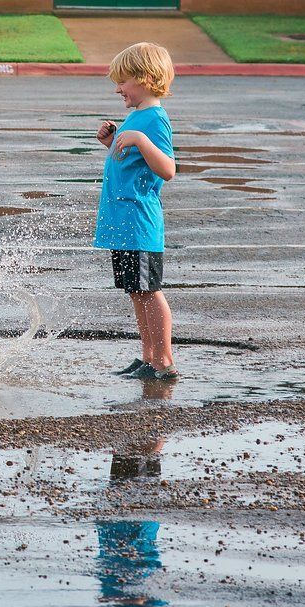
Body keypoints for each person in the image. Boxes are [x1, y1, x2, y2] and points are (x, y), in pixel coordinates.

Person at [93, 43, 178, 381]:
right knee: (136, 291)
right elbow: (131, 161)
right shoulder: (136, 117)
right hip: (124, 224)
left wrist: (141, 140)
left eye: (123, 81)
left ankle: (164, 360)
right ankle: (147, 357)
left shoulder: (154, 119)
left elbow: (167, 168)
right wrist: (113, 141)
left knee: (149, 290)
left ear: (144, 79)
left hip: (140, 223)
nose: (118, 89)